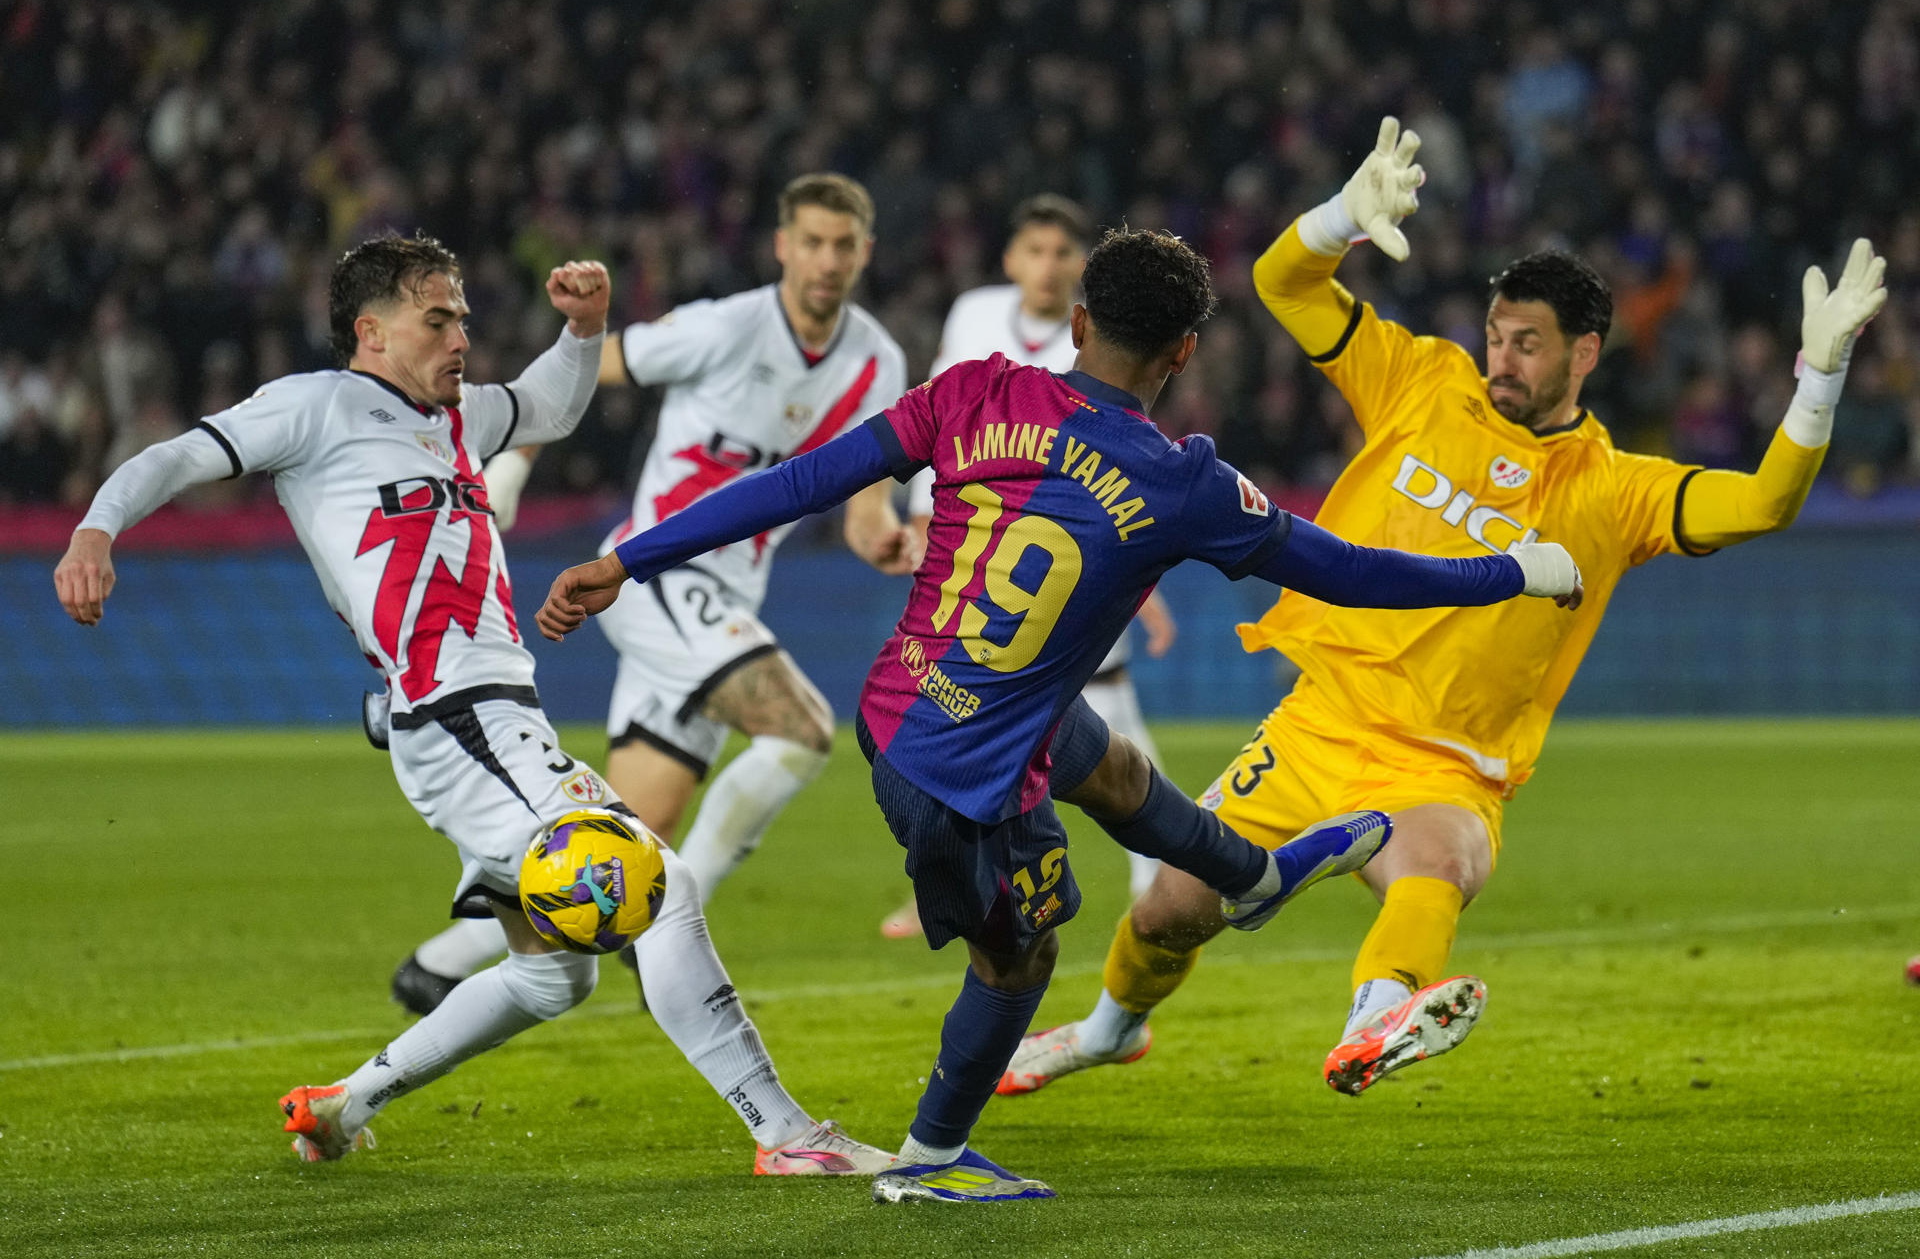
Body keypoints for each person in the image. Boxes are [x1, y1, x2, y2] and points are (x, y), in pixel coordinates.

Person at [535, 226, 1585, 1201]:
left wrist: (627, 559)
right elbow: (1353, 572)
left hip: (902, 706)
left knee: (1110, 763)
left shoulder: (974, 391)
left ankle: (1251, 876)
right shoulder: (1186, 483)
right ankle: (932, 1157)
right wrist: (1514, 570)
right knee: (1021, 960)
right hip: (963, 785)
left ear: (1078, 322)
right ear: (1183, 353)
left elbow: (802, 482)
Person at [995, 117, 1889, 1102]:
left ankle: (1375, 1022)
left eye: (1528, 346)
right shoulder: (1422, 380)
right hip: (1321, 723)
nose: (1502, 359)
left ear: (1586, 353)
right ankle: (1111, 1030)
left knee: (1441, 862)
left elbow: (1763, 503)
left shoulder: (1617, 488)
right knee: (1170, 909)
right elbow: (1284, 284)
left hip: (1446, 763)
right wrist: (1342, 216)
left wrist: (1820, 379)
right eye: (1497, 337)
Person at [52, 234, 892, 1175]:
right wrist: (95, 531)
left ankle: (342, 1105)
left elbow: (550, 406)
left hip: (487, 714)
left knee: (553, 975)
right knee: (657, 885)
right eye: (437, 319)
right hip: (460, 713)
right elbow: (172, 458)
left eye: (462, 318)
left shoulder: (459, 418)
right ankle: (786, 1134)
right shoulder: (314, 406)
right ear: (371, 331)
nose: (461, 338)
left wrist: (584, 330)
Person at [391, 173, 913, 1013]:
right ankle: (671, 931)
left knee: (630, 835)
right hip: (651, 571)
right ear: (783, 246)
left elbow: (863, 507)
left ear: (865, 253)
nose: (827, 260)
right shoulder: (722, 327)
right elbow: (589, 366)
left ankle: (438, 963)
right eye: (812, 242)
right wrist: (515, 464)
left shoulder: (877, 362)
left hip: (726, 597)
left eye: (843, 245)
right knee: (802, 730)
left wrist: (885, 538)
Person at [880, 193, 1170, 942]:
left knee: (1099, 699)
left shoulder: (1100, 336)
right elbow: (937, 409)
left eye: (1062, 253)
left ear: (1082, 267)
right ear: (1011, 259)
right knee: (963, 707)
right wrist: (920, 513)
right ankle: (946, 878)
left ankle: (1154, 872)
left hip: (1074, 546)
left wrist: (1142, 571)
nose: (1047, 266)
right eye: (1035, 251)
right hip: (981, 540)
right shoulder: (975, 314)